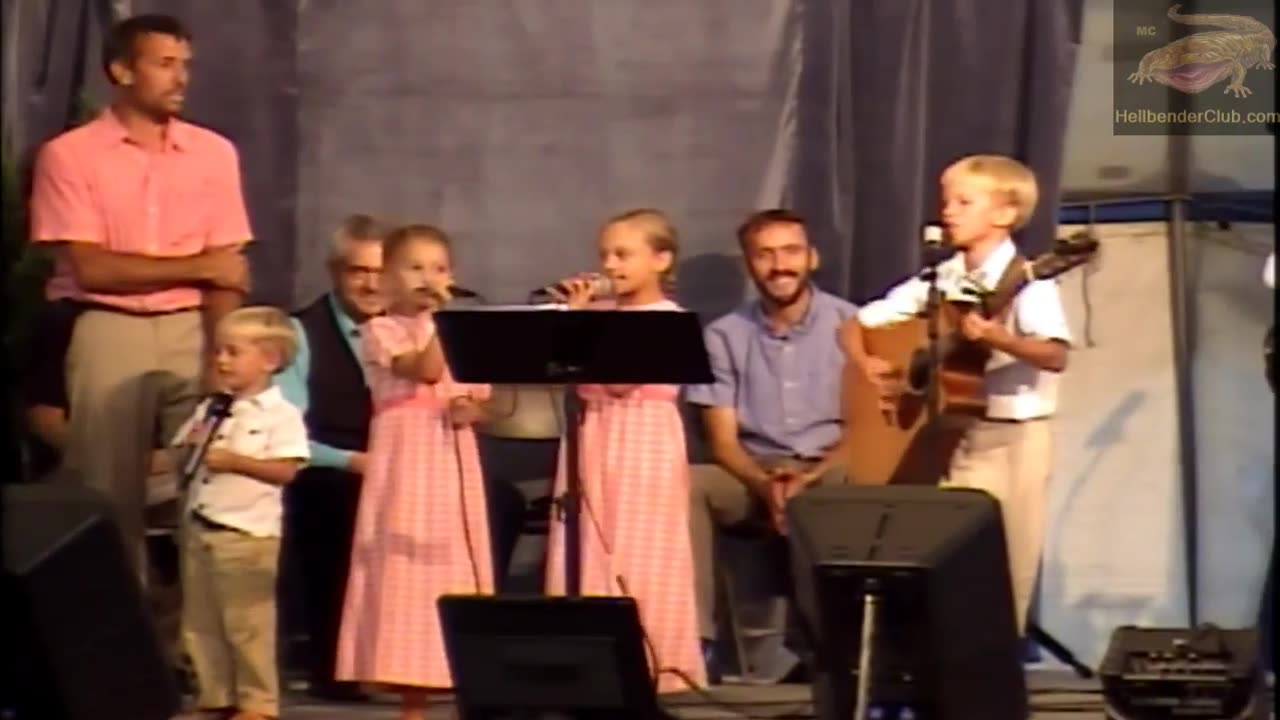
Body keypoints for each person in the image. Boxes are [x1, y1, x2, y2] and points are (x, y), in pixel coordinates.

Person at [28, 13, 252, 581]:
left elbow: (229, 271)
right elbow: (94, 268)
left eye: (185, 65)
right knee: (108, 494)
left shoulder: (214, 154)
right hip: (109, 325)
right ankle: (120, 645)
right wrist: (199, 264)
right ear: (121, 71)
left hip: (193, 325)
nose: (181, 78)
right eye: (164, 64)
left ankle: (199, 647)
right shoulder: (70, 155)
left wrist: (219, 353)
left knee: (211, 488)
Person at [839, 153, 1071, 634]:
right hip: (951, 437)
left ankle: (996, 658)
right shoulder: (939, 279)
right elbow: (855, 325)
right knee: (950, 554)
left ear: (1005, 213)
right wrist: (872, 366)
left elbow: (1054, 355)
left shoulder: (1030, 284)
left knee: (1010, 556)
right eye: (947, 200)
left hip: (1015, 436)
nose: (948, 211)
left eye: (964, 201)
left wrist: (999, 339)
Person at [684, 208, 857, 682]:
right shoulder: (722, 335)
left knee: (857, 480)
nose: (779, 266)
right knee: (687, 483)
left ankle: (842, 653)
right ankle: (693, 643)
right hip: (753, 467)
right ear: (748, 265)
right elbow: (721, 441)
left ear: (812, 258)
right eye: (765, 255)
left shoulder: (853, 324)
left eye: (791, 252)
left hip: (829, 466)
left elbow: (865, 429)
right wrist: (767, 486)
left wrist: (806, 479)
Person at [335, 224, 494, 720]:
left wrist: (471, 409)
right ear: (387, 279)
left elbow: (478, 398)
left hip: (451, 461)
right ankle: (410, 697)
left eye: (440, 268)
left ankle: (461, 680)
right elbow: (424, 370)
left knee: (451, 563)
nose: (430, 278)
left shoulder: (459, 331)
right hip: (406, 462)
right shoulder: (379, 329)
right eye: (416, 267)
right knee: (405, 569)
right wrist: (443, 319)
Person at [543, 209, 705, 693]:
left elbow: (617, 379)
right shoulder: (598, 317)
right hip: (593, 436)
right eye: (604, 255)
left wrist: (577, 323)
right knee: (587, 545)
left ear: (661, 260)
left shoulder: (667, 321)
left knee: (640, 551)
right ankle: (586, 666)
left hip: (642, 441)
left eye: (623, 254)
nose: (610, 265)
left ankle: (652, 666)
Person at [173, 306, 309, 720]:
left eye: (233, 352)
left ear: (269, 359)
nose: (221, 360)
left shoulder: (281, 416)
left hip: (247, 534)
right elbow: (185, 450)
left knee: (248, 623)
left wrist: (236, 462)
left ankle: (258, 702)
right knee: (201, 621)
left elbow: (288, 469)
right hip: (202, 524)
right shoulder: (213, 408)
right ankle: (216, 694)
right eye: (218, 351)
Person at [275, 214, 386, 701]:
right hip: (330, 466)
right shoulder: (301, 333)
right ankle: (335, 665)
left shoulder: (414, 330)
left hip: (406, 465)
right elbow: (288, 433)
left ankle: (426, 658)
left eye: (382, 272)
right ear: (335, 272)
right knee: (335, 500)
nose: (372, 283)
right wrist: (352, 462)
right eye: (358, 271)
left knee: (496, 502)